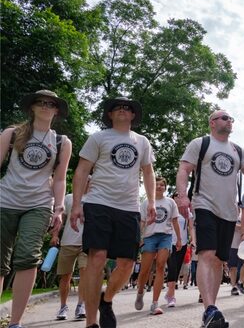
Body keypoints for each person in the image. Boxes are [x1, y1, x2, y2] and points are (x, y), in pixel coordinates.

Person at [176, 109, 244, 328]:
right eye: (224, 117)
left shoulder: (238, 150)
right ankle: (209, 308)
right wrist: (182, 196)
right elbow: (184, 170)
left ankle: (211, 310)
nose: (229, 121)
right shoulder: (201, 143)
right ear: (212, 122)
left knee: (219, 260)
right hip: (204, 205)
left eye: (231, 119)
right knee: (207, 255)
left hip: (229, 212)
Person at [70, 97, 156, 328]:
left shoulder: (142, 141)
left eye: (127, 108)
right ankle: (91, 322)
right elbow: (82, 171)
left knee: (127, 263)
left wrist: (152, 202)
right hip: (98, 202)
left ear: (133, 116)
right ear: (110, 114)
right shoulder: (98, 137)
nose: (122, 111)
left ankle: (105, 300)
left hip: (128, 207)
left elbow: (148, 172)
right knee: (96, 258)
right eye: (117, 108)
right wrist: (77, 204)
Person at [0, 89, 72, 328]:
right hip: (5, 200)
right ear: (32, 107)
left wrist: (59, 208)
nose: (45, 106)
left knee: (28, 257)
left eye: (50, 104)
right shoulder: (12, 134)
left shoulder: (61, 142)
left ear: (56, 110)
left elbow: (60, 179)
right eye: (40, 102)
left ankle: (15, 322)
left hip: (39, 204)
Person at [134, 177, 181, 314]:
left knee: (161, 266)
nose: (160, 187)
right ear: (153, 186)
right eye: (157, 184)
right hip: (149, 237)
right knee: (145, 270)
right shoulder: (146, 203)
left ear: (165, 188)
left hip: (165, 236)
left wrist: (178, 239)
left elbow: (175, 221)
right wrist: (140, 237)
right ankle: (140, 293)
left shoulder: (171, 202)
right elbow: (141, 222)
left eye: (162, 185)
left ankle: (155, 303)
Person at [52, 176, 91, 320]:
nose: (87, 182)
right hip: (67, 242)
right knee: (65, 276)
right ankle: (63, 306)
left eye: (89, 180)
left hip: (86, 243)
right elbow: (60, 219)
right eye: (85, 179)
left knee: (85, 274)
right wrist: (55, 235)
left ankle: (81, 305)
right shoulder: (69, 198)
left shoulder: (95, 199)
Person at [164, 191, 195, 307]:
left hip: (182, 244)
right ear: (173, 198)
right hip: (169, 242)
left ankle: (169, 292)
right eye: (177, 196)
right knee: (172, 267)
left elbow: (191, 227)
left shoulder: (187, 212)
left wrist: (193, 240)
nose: (179, 198)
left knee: (176, 269)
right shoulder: (169, 209)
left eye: (181, 196)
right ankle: (171, 296)